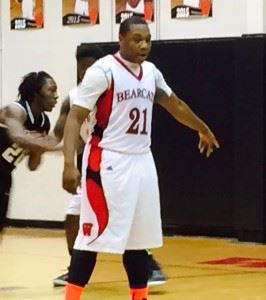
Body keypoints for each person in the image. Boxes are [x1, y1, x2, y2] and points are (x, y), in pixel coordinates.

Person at [62, 16, 219, 300]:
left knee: (138, 241)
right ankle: (72, 296)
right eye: (137, 39)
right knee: (91, 238)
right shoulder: (103, 71)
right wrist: (69, 165)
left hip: (142, 161)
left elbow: (175, 104)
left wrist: (202, 128)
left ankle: (139, 296)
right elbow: (75, 118)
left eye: (147, 39)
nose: (144, 45)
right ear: (121, 39)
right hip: (108, 160)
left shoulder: (150, 71)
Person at [52, 44, 166, 287]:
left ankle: (149, 263)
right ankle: (74, 267)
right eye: (81, 70)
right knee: (75, 218)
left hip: (120, 161)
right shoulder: (74, 98)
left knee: (130, 223)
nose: (85, 74)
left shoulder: (118, 80)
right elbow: (59, 134)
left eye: (89, 68)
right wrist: (45, 148)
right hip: (94, 164)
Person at [0, 71, 59, 234]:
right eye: (51, 90)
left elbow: (32, 166)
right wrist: (56, 147)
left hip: (4, 176)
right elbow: (19, 138)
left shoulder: (43, 122)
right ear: (36, 93)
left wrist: (39, 149)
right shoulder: (15, 110)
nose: (56, 96)